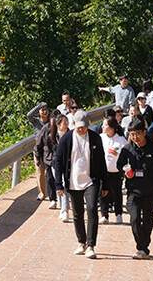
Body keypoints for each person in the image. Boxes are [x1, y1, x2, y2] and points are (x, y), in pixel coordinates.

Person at [54, 110, 108, 259]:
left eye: (84, 126)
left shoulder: (95, 138)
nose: (81, 129)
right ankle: (81, 242)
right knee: (77, 213)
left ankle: (91, 245)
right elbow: (58, 161)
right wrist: (58, 184)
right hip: (73, 181)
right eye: (78, 126)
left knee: (91, 209)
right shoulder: (66, 138)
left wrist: (106, 184)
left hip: (91, 180)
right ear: (73, 124)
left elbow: (102, 161)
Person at [117, 118, 153, 259]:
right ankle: (141, 247)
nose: (135, 137)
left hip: (151, 190)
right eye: (132, 134)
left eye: (137, 133)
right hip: (133, 190)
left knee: (148, 218)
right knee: (135, 218)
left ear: (144, 132)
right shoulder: (127, 149)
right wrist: (125, 172)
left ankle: (144, 247)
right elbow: (119, 166)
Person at [100, 116, 127, 225]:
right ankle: (104, 215)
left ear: (112, 127)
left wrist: (118, 154)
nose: (103, 127)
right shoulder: (101, 137)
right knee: (103, 193)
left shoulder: (120, 140)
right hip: (103, 171)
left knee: (117, 193)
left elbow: (126, 156)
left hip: (115, 171)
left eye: (105, 125)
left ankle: (118, 214)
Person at [34, 107, 58, 204]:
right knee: (48, 176)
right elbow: (38, 144)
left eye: (46, 109)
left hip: (58, 157)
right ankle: (50, 197)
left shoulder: (63, 128)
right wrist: (38, 157)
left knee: (58, 178)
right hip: (46, 156)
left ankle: (60, 198)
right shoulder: (44, 127)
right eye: (42, 110)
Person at [50, 114, 71, 219]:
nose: (66, 125)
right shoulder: (52, 136)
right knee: (58, 184)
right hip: (55, 164)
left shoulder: (71, 134)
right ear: (58, 125)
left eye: (67, 122)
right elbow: (50, 149)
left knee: (64, 185)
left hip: (67, 164)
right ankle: (61, 206)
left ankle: (65, 210)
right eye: (64, 123)